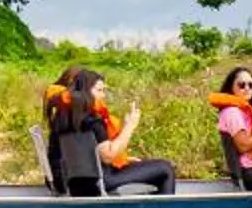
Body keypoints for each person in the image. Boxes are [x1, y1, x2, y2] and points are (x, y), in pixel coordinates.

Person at [46, 67, 177, 195]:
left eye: (104, 91)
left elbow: (80, 156)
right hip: (99, 182)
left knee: (141, 165)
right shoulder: (94, 121)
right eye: (99, 90)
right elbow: (108, 156)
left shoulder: (61, 119)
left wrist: (124, 159)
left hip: (72, 184)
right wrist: (129, 126)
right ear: (86, 91)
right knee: (165, 168)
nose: (103, 95)